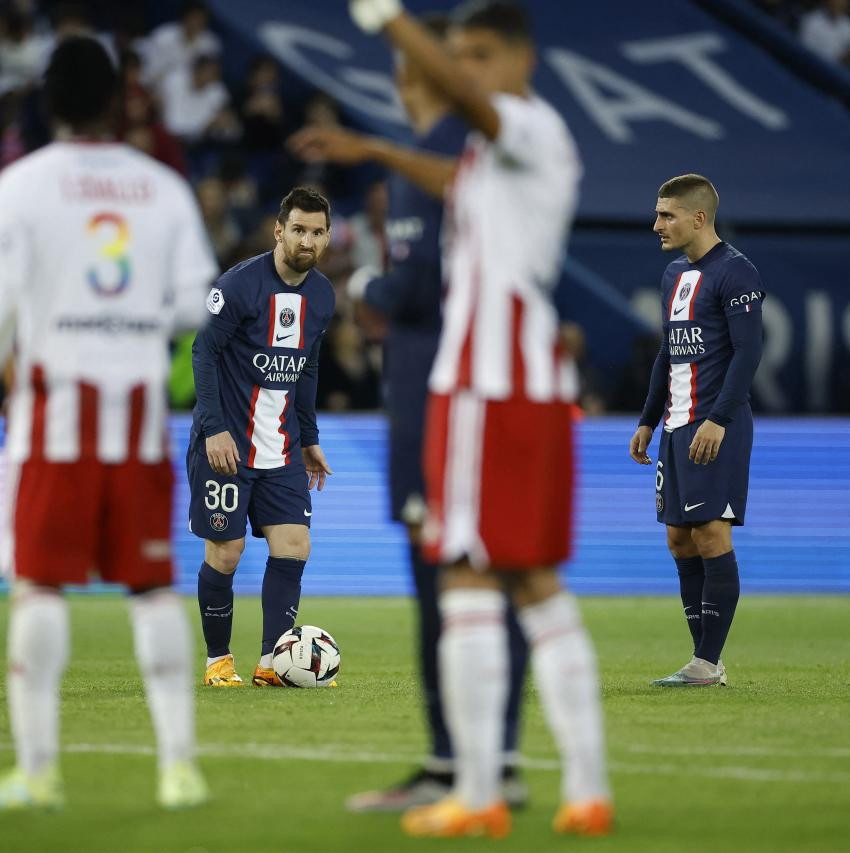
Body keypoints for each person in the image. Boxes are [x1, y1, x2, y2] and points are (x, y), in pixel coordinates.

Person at [342, 0, 612, 838]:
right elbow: (453, 179)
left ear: (522, 60)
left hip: (481, 388)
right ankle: (586, 788)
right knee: (533, 584)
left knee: (461, 572)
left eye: (482, 55)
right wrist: (382, 151)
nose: (467, 70)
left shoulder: (523, 123)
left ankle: (480, 789)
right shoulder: (503, 156)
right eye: (460, 55)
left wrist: (388, 18)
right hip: (528, 383)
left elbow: (466, 96)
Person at [0, 36, 216, 813]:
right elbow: (199, 303)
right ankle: (179, 769)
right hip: (135, 420)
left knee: (39, 587)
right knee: (153, 587)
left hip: (52, 421)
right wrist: (132, 323)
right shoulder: (162, 187)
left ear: (49, 102)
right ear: (117, 101)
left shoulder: (23, 185)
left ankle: (36, 773)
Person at [292, 13, 529, 812]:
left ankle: (485, 758)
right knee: (441, 583)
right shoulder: (429, 164)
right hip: (413, 395)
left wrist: (366, 292)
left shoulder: (462, 162)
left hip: (448, 402)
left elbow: (419, 287)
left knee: (466, 580)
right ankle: (454, 756)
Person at [190, 186, 335, 689]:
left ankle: (273, 664)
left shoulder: (323, 295)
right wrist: (214, 429)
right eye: (299, 229)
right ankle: (217, 661)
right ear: (279, 231)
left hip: (283, 446)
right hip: (227, 446)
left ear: (327, 237)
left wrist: (310, 436)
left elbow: (308, 365)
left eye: (317, 232)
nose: (307, 240)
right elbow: (202, 353)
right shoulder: (237, 286)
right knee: (225, 554)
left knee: (294, 544)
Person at [629, 174, 764, 687]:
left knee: (711, 534)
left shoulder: (736, 273)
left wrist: (719, 419)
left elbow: (748, 353)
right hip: (676, 426)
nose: (656, 224)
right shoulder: (672, 276)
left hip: (716, 426)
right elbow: (669, 350)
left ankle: (708, 663)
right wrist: (647, 417)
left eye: (667, 215)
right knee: (680, 541)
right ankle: (702, 659)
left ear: (698, 217)